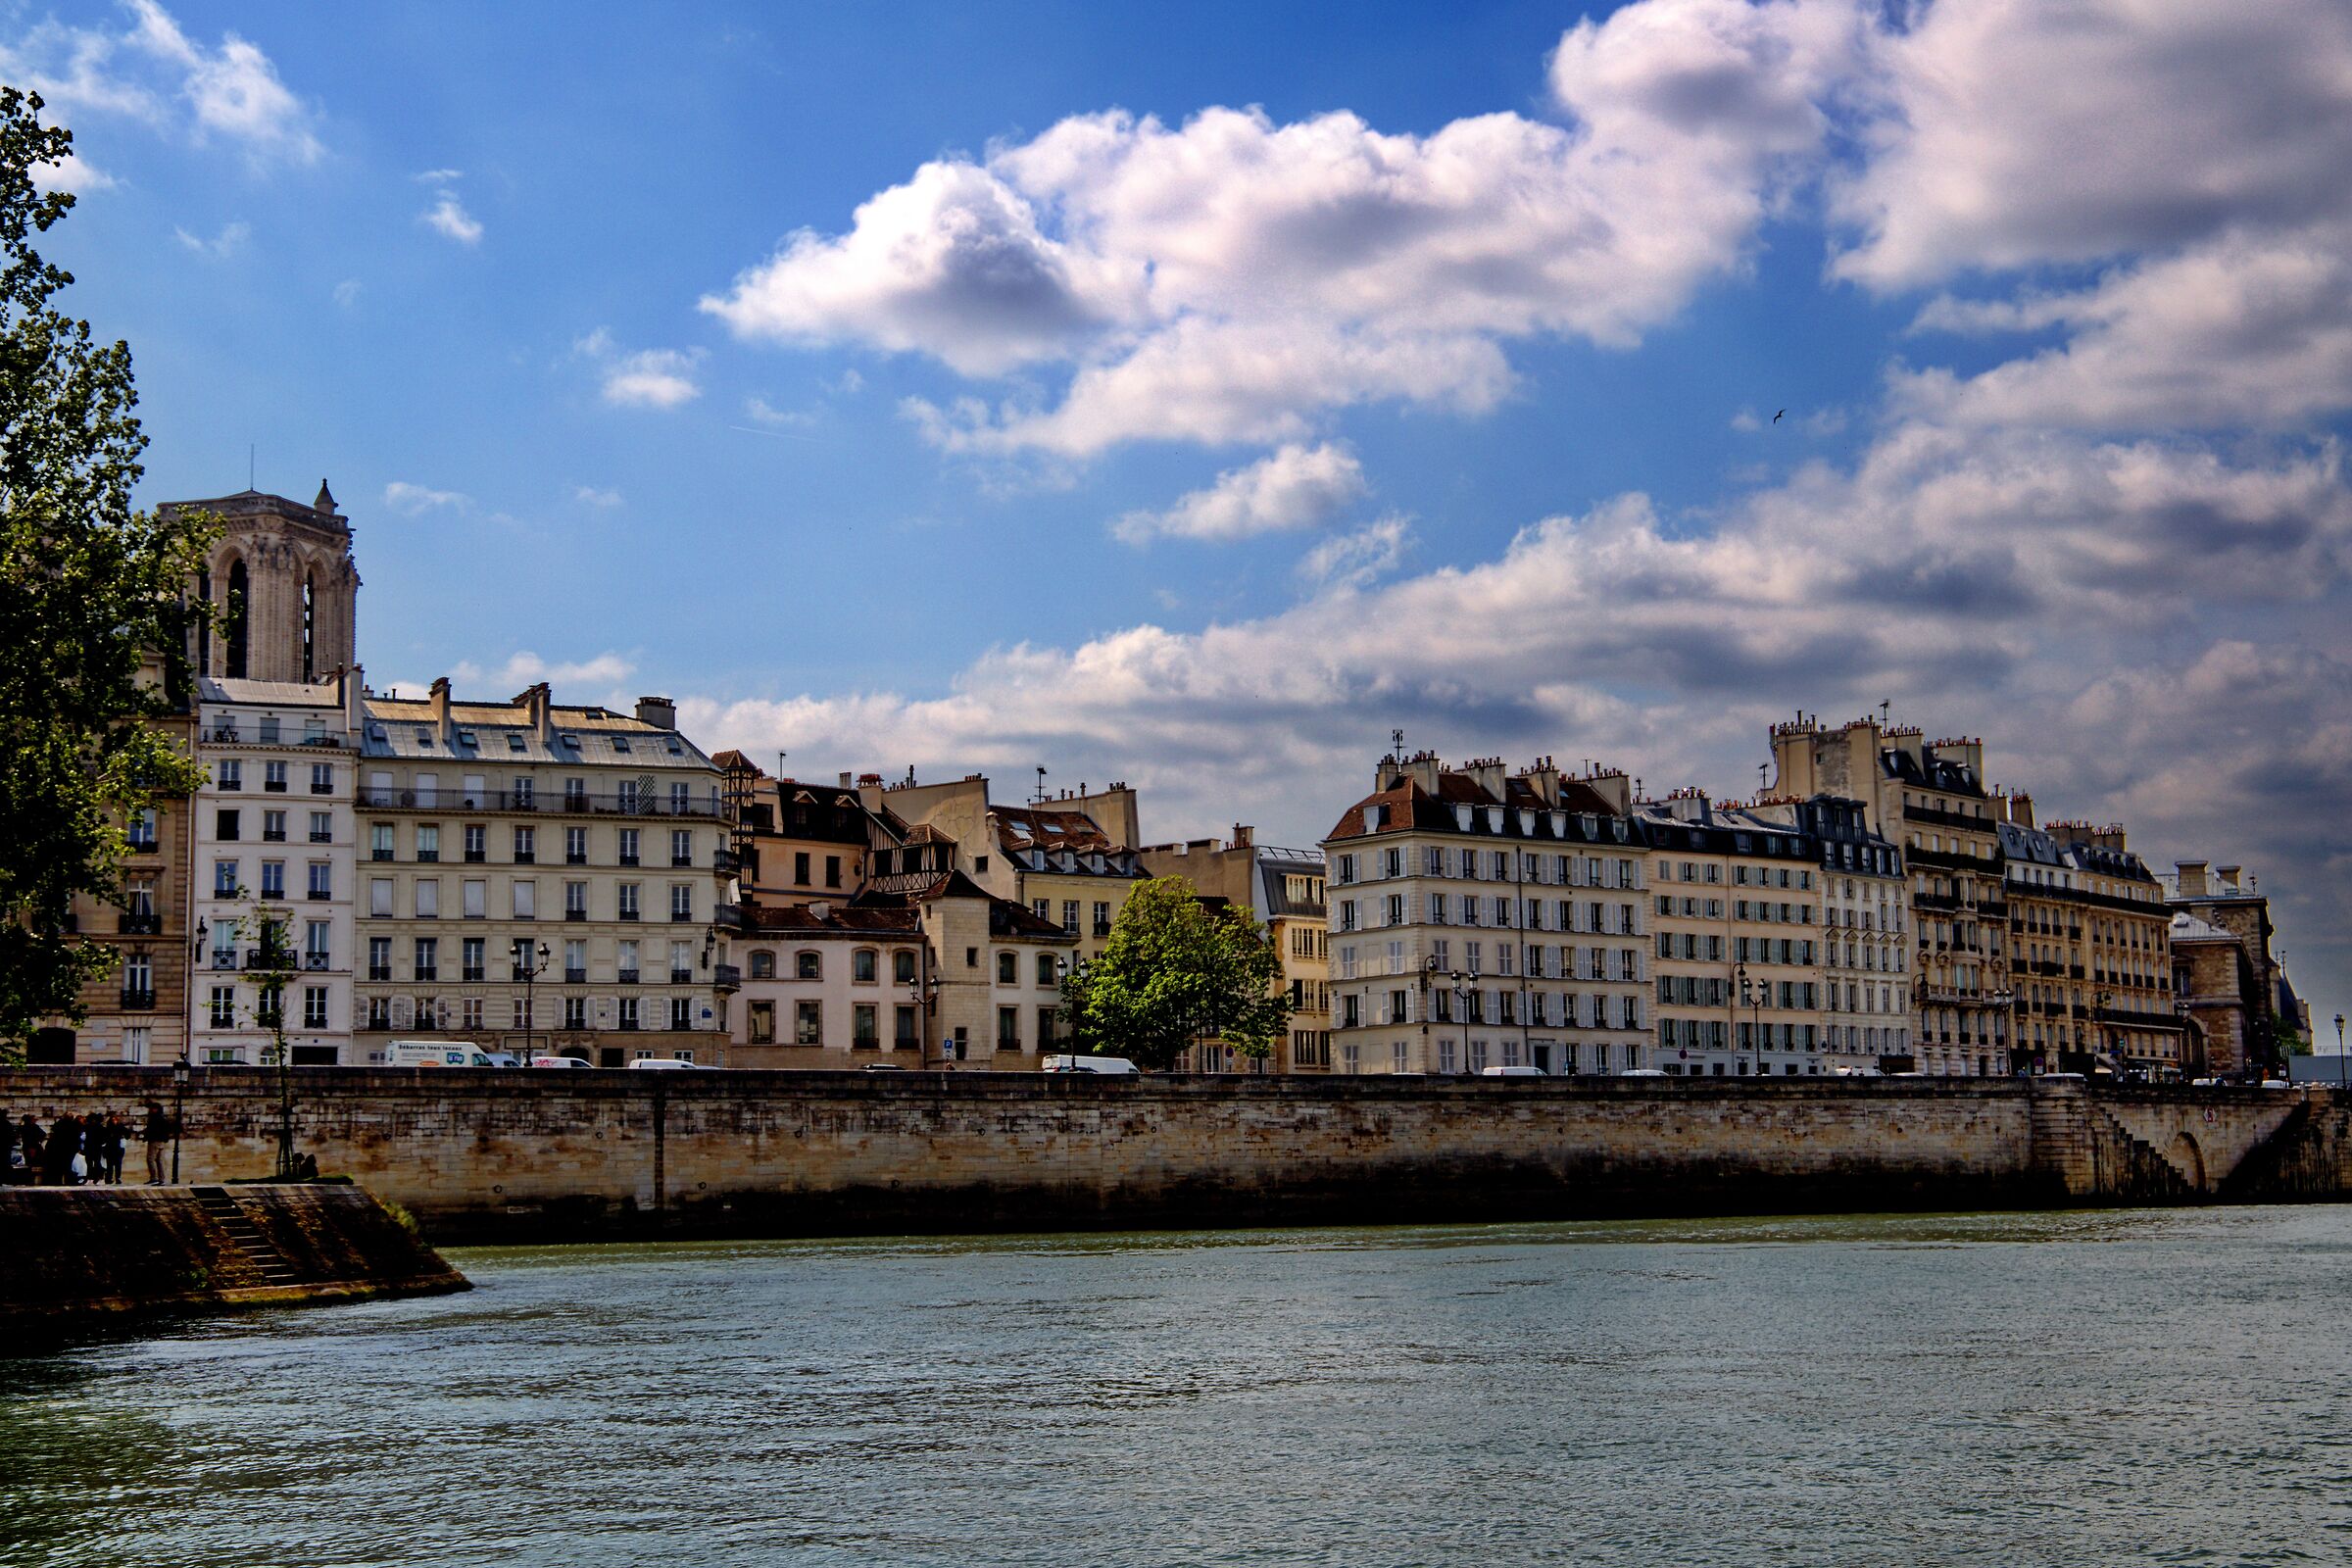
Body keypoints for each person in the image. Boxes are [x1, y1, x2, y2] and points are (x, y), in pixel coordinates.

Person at [142, 1101, 172, 1185]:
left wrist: (146, 1136)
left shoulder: (155, 1118)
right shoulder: (162, 1118)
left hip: (154, 1141)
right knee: (160, 1160)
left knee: (150, 1159)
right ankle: (161, 1179)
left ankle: (154, 1177)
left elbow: (151, 1130)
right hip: (161, 1141)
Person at [15, 1115, 43, 1186]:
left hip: (27, 1146)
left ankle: (29, 1180)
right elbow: (43, 1134)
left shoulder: (23, 1127)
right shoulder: (34, 1126)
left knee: (29, 1163)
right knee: (33, 1163)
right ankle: (32, 1180)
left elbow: (16, 1134)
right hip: (34, 1146)